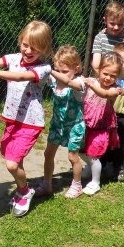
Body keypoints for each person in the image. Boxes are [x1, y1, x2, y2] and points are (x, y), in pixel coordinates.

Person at [0, 21, 53, 217]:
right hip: (13, 119)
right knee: (11, 157)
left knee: (12, 163)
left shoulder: (44, 68)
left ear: (45, 48)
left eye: (35, 47)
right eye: (25, 44)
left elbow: (21, 77)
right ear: (20, 41)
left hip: (31, 123)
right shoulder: (14, 58)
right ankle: (23, 187)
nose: (28, 50)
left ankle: (24, 190)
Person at [37, 45, 86, 198]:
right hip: (57, 125)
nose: (60, 74)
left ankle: (77, 185)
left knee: (72, 157)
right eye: (57, 70)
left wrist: (50, 70)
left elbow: (69, 82)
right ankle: (47, 184)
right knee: (48, 153)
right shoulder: (54, 78)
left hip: (74, 126)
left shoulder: (80, 83)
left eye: (64, 71)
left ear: (76, 69)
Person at [76, 53, 123, 196]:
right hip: (86, 123)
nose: (108, 78)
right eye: (105, 73)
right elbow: (77, 82)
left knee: (94, 154)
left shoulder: (115, 89)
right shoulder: (91, 80)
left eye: (113, 75)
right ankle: (90, 167)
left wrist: (90, 84)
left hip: (102, 126)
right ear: (99, 70)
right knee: (80, 150)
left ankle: (95, 182)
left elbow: (104, 94)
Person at [101, 42, 124, 183]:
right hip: (105, 113)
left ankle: (118, 165)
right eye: (121, 61)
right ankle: (102, 162)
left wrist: (122, 91)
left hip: (121, 114)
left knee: (118, 141)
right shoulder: (109, 76)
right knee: (103, 138)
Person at [91, 1, 124, 73]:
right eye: (112, 23)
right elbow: (96, 64)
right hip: (104, 76)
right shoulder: (100, 37)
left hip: (123, 79)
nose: (116, 27)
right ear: (105, 20)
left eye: (120, 24)